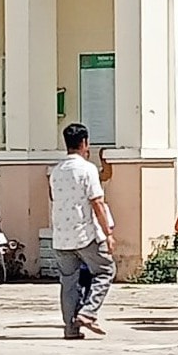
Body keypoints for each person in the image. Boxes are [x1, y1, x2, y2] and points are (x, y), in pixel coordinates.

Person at [50, 123, 116, 339]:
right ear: (85, 143)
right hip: (85, 233)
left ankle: (70, 327)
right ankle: (88, 312)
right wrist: (108, 234)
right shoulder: (87, 169)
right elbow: (97, 202)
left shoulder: (56, 171)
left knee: (68, 282)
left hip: (61, 234)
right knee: (105, 270)